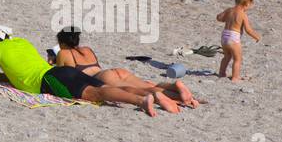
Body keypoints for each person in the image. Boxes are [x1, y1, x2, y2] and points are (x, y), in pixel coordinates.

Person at [0, 27, 175, 117]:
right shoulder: (21, 42)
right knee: (105, 88)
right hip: (61, 72)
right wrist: (2, 75)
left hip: (49, 81)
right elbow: (18, 71)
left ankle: (141, 101)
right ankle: (152, 93)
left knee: (97, 94)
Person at [53, 27, 199, 107]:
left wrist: (52, 63)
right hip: (115, 71)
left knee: (141, 91)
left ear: (62, 43)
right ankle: (178, 90)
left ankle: (175, 95)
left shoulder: (64, 53)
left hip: (101, 77)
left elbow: (66, 75)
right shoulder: (87, 49)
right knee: (148, 85)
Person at [216, 0, 261, 82]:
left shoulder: (229, 10)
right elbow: (248, 30)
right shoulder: (243, 14)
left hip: (224, 36)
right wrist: (256, 36)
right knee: (237, 59)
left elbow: (219, 17)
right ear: (248, 3)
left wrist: (225, 18)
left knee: (227, 56)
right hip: (234, 38)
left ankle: (222, 73)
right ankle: (235, 77)